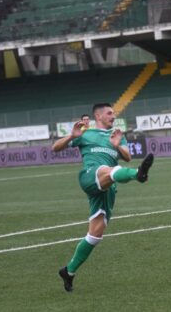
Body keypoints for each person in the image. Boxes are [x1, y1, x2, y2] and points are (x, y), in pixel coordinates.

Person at [53, 103, 154, 292]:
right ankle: (138, 174)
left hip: (108, 187)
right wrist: (71, 136)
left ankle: (69, 271)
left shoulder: (116, 135)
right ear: (98, 116)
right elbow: (55, 148)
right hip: (91, 176)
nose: (113, 116)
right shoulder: (86, 133)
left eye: (113, 113)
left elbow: (127, 156)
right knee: (108, 170)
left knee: (95, 236)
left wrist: (118, 146)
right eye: (109, 113)